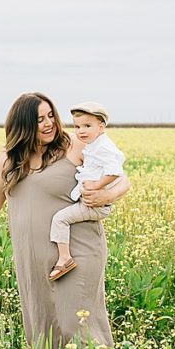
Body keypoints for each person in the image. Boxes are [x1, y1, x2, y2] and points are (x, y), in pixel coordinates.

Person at [0, 93, 130, 349]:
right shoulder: (7, 159)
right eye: (40, 119)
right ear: (23, 124)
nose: (49, 123)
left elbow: (123, 179)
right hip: (32, 257)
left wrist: (104, 196)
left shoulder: (74, 146)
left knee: (78, 324)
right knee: (44, 324)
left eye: (51, 115)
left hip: (77, 253)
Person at [48, 101, 126, 281]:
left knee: (60, 219)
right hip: (92, 202)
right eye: (77, 126)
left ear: (101, 127)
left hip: (95, 205)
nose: (81, 131)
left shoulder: (103, 147)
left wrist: (97, 186)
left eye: (87, 126)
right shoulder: (93, 145)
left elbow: (116, 172)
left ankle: (65, 258)